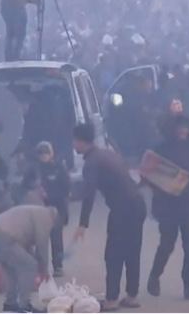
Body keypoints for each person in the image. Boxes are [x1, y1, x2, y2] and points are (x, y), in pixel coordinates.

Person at [73, 123, 147, 312]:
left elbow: (88, 195)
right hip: (138, 204)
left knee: (113, 254)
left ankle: (112, 299)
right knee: (132, 252)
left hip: (123, 209)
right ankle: (132, 296)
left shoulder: (92, 163)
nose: (73, 145)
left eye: (74, 141)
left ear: (82, 141)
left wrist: (83, 224)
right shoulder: (108, 153)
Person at [147, 115, 189, 301]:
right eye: (179, 127)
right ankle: (154, 277)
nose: (183, 131)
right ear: (171, 129)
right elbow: (149, 176)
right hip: (167, 206)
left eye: (186, 127)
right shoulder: (160, 150)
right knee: (167, 244)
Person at [0, 204, 59, 314]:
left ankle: (10, 303)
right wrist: (43, 269)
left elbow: (27, 248)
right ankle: (24, 305)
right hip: (2, 235)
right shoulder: (46, 216)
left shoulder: (34, 211)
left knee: (12, 270)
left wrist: (40, 264)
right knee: (29, 267)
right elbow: (42, 244)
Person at [30, 141, 70, 277]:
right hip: (39, 208)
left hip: (57, 207)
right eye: (40, 154)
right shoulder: (34, 170)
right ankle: (40, 267)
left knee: (56, 237)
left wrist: (50, 195)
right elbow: (23, 186)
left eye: (46, 153)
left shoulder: (59, 168)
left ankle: (58, 266)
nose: (43, 156)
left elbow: (66, 189)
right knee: (39, 238)